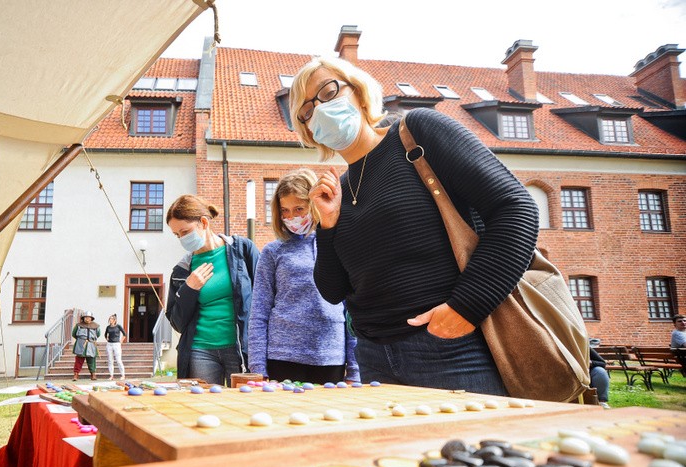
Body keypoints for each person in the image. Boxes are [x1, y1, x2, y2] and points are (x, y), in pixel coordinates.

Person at [290, 57, 539, 395]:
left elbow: (516, 209)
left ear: (359, 92)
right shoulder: (339, 190)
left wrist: (466, 307)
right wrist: (329, 225)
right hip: (375, 359)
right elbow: (333, 290)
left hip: (455, 349)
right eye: (307, 110)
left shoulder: (417, 133)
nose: (319, 109)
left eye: (328, 92)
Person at [248, 168, 359, 383]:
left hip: (330, 357)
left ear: (314, 204)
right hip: (283, 357)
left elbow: (350, 310)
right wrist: (258, 368)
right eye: (284, 211)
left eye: (299, 208)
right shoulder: (273, 252)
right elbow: (259, 313)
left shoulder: (337, 245)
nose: (291, 217)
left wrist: (354, 368)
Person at [165, 195, 260, 385]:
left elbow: (263, 297)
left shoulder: (243, 250)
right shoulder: (181, 270)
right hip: (201, 350)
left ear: (203, 222)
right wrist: (188, 289)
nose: (182, 239)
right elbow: (177, 322)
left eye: (185, 231)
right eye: (177, 235)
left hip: (241, 347)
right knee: (205, 408)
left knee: (242, 407)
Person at [72, 311, 100, 380]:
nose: (87, 319)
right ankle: (76, 375)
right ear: (83, 318)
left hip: (91, 344)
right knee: (79, 360)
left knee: (92, 360)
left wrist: (90, 340)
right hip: (81, 344)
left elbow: (98, 334)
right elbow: (74, 334)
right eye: (86, 317)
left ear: (91, 318)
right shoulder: (78, 325)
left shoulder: (96, 326)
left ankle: (93, 374)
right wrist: (81, 340)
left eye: (89, 317)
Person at [103, 314, 127, 380]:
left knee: (118, 360)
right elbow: (105, 334)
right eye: (109, 319)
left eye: (111, 319)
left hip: (116, 344)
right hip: (109, 344)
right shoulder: (108, 327)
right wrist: (107, 339)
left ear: (114, 320)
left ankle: (123, 375)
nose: (110, 320)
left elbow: (124, 334)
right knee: (110, 360)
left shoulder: (118, 326)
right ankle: (111, 375)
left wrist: (121, 341)